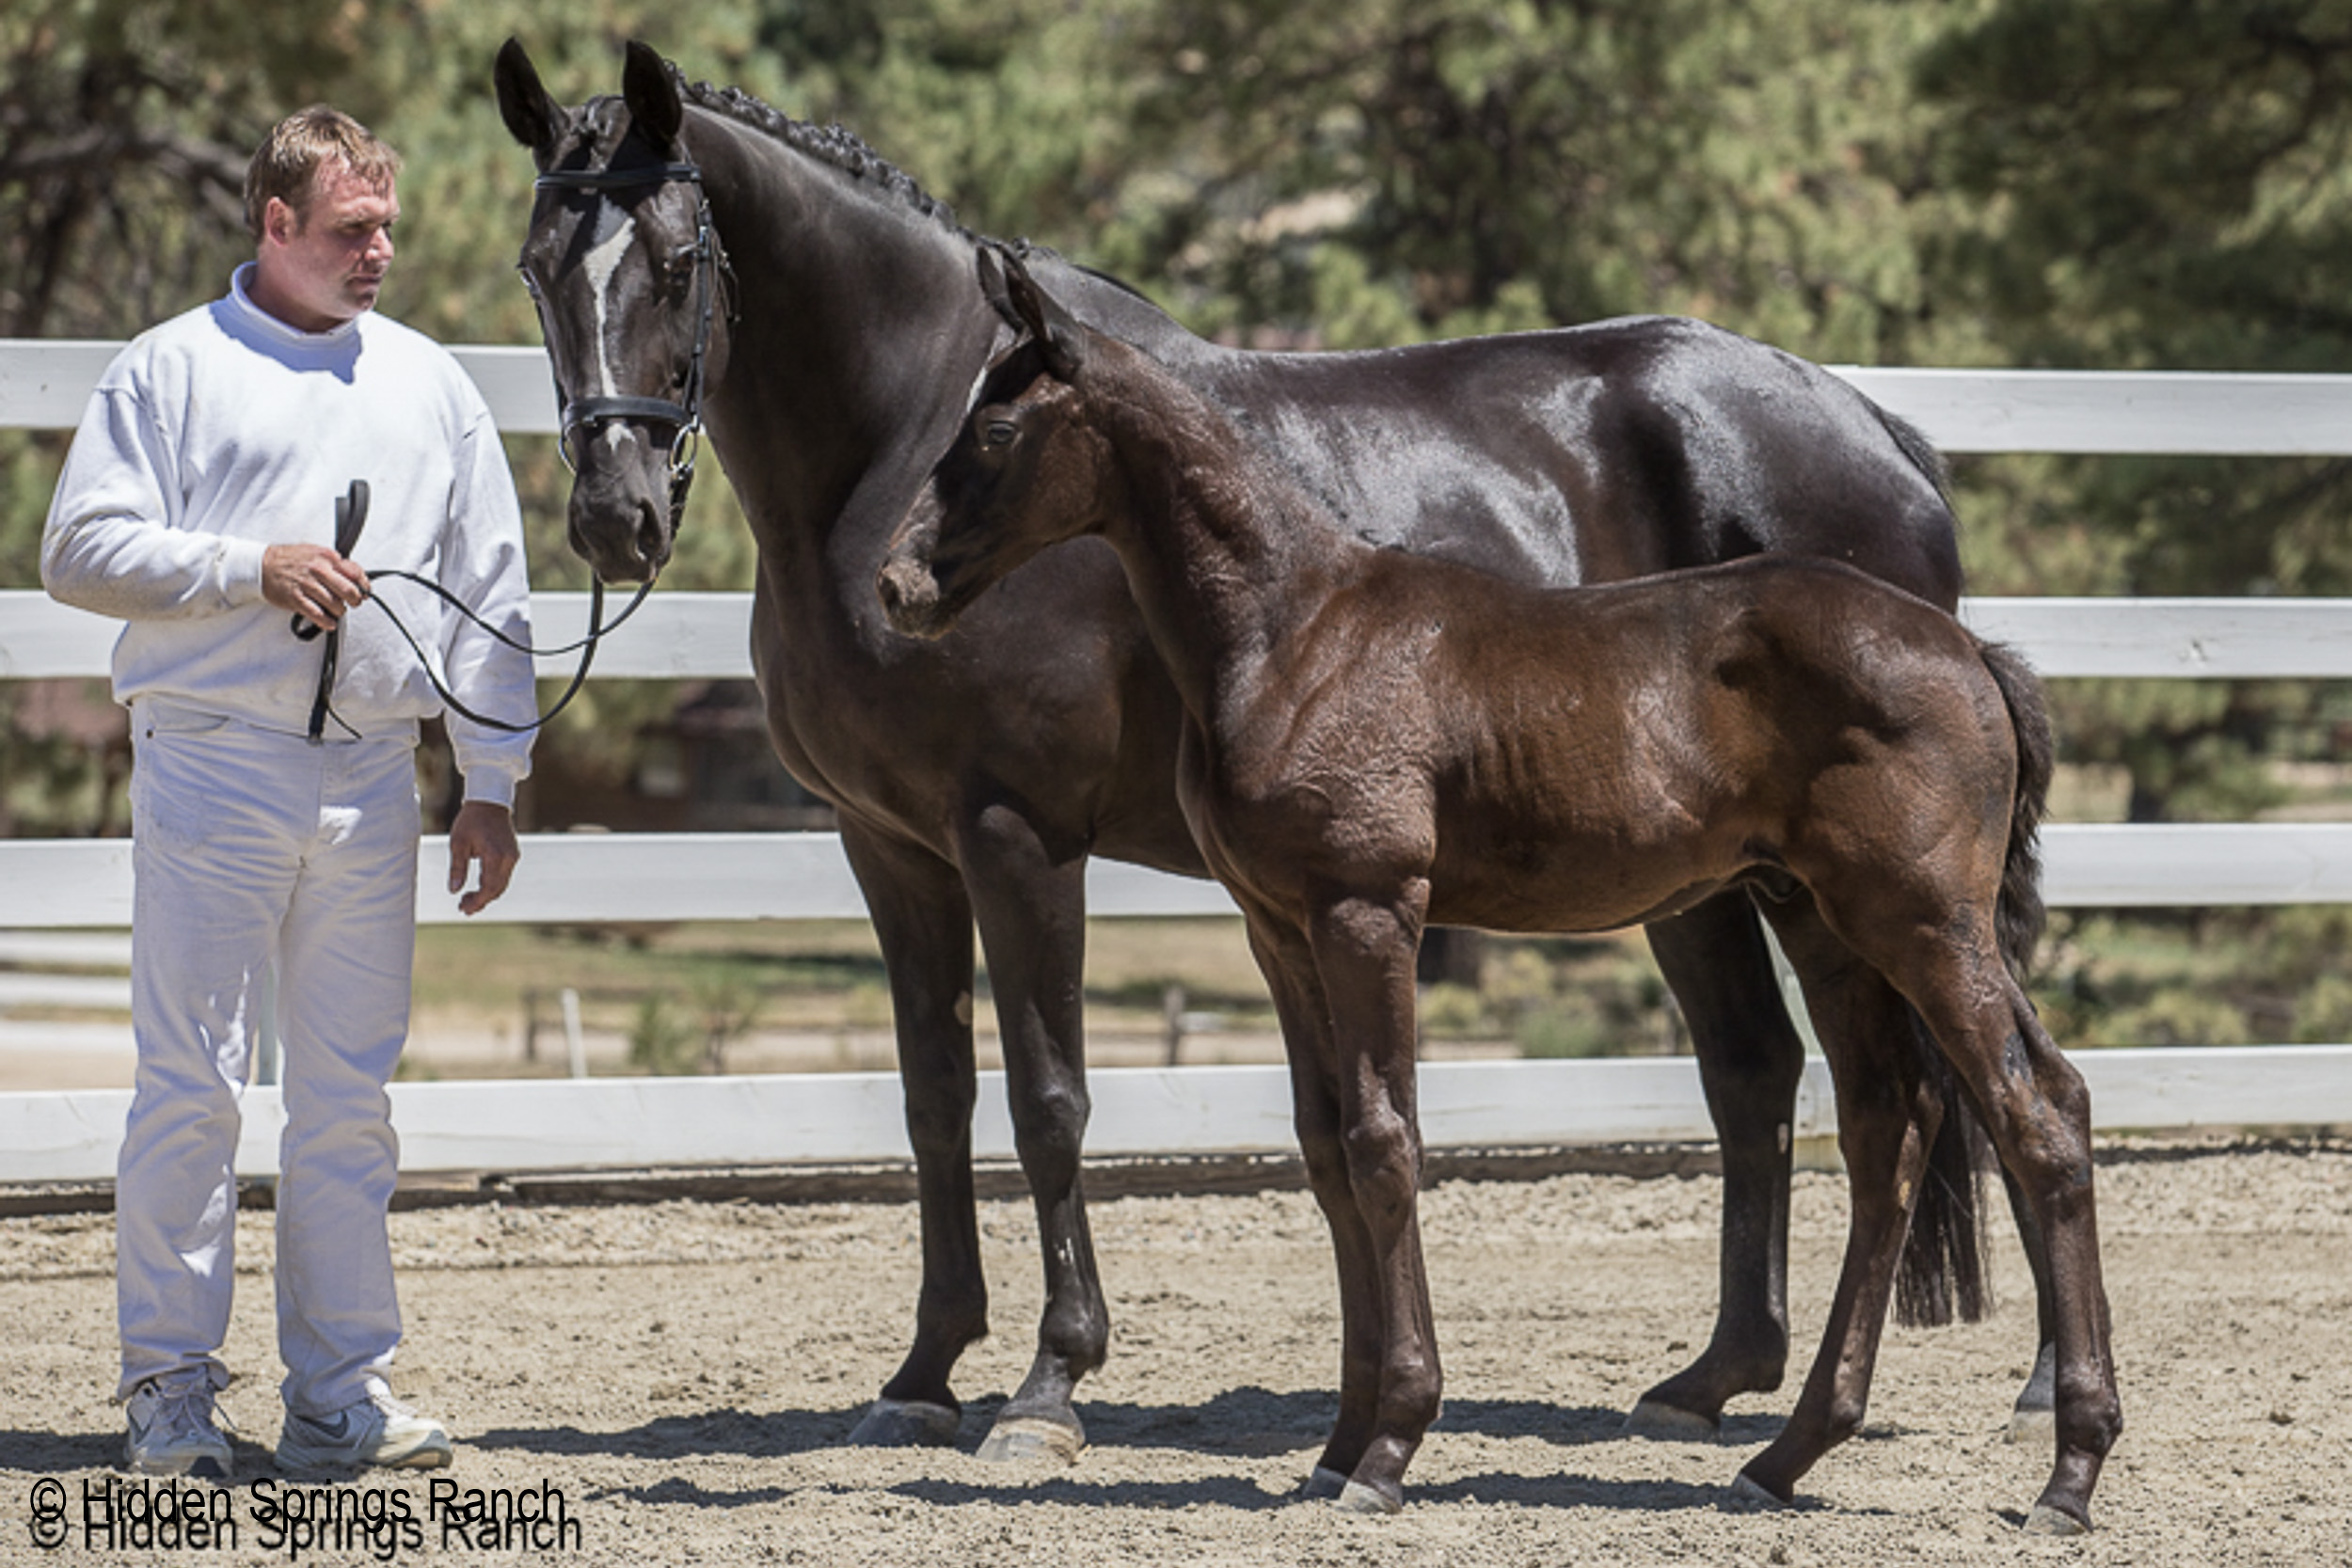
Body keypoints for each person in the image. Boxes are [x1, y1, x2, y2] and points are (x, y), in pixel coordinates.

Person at [40, 105, 536, 1481]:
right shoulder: (173, 369)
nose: (379, 252)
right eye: (350, 230)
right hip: (212, 761)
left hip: (374, 778)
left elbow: (490, 589)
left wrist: (490, 780)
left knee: (348, 1101)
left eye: (387, 229)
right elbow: (77, 549)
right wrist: (246, 567)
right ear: (275, 222)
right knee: (191, 1090)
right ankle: (169, 1389)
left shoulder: (431, 384)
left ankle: (337, 1393)